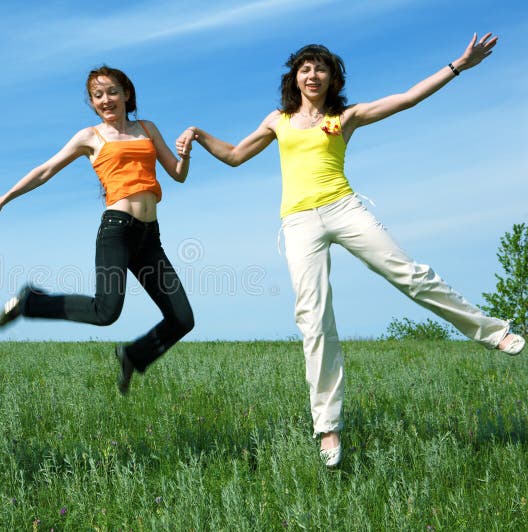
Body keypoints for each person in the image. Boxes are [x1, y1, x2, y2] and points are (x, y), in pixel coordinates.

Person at [176, 33, 524, 468]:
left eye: (320, 68)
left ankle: (492, 332)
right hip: (299, 222)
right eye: (305, 68)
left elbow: (407, 99)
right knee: (313, 318)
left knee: (409, 274)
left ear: (331, 78)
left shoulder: (345, 117)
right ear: (295, 78)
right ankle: (328, 428)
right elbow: (232, 155)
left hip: (344, 208)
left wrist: (457, 65)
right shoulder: (277, 121)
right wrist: (198, 135)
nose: (312, 74)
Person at [0, 65, 195, 395]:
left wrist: (186, 153)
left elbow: (177, 174)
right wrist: (1, 200)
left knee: (182, 318)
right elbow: (44, 171)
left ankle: (134, 355)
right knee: (106, 312)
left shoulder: (146, 128)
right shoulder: (90, 137)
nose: (106, 99)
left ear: (126, 94)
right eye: (97, 95)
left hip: (150, 237)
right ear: (92, 103)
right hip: (117, 231)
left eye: (112, 92)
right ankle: (31, 303)